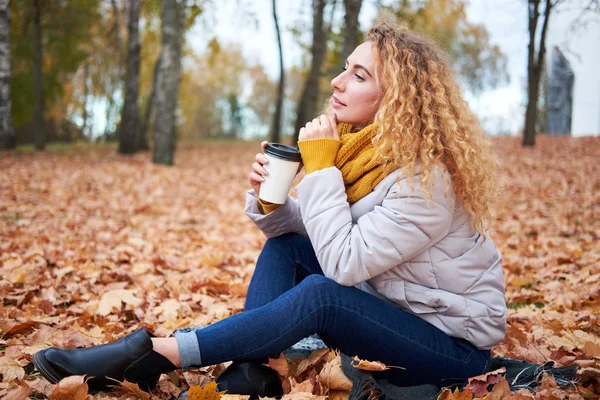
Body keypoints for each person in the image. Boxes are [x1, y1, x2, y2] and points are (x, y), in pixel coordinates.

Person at [33, 23, 506, 396]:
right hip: (393, 311)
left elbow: (344, 263)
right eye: (345, 68)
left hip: (449, 348)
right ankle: (250, 374)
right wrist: (269, 199)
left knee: (322, 295)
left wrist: (320, 170)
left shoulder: (427, 179)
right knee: (286, 247)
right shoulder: (365, 157)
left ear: (398, 100)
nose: (338, 83)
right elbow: (324, 236)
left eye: (359, 76)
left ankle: (155, 353)